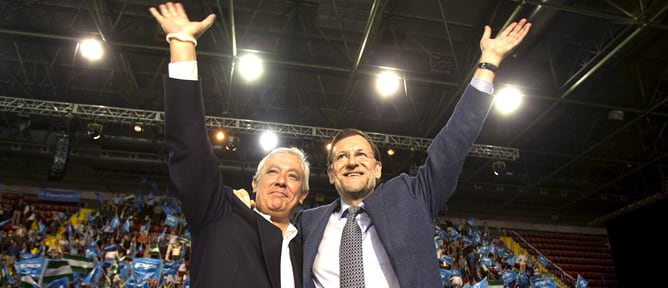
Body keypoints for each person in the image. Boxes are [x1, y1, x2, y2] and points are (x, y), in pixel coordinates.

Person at [296, 19, 532, 287]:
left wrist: (488, 62)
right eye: (341, 157)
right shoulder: (307, 222)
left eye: (361, 155)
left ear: (377, 168)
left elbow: (452, 145)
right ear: (330, 174)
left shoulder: (412, 197)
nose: (351, 161)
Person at [150, 2, 310, 287]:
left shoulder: (309, 248)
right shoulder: (220, 212)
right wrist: (183, 45)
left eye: (293, 176)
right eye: (272, 172)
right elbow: (191, 150)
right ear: (254, 183)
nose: (281, 181)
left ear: (303, 195)